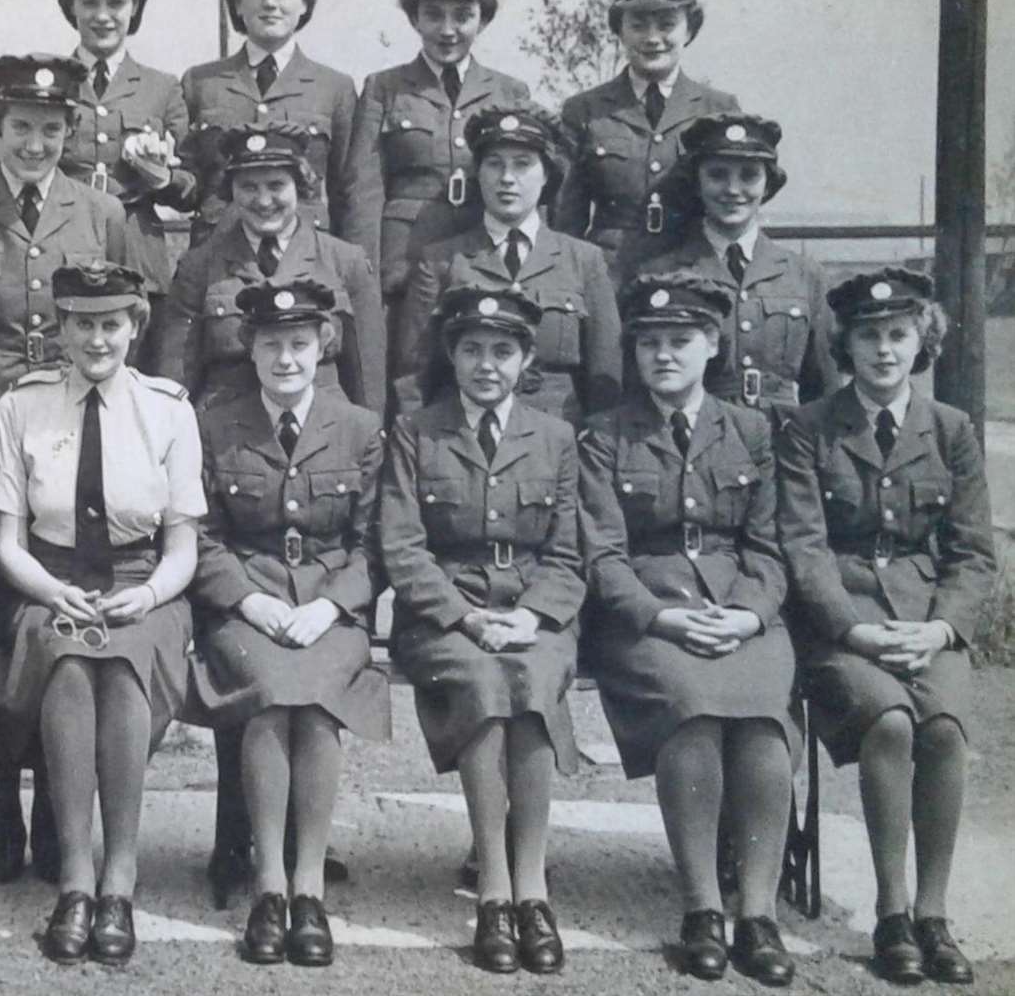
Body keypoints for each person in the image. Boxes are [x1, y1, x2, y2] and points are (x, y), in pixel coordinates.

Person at [0, 52, 129, 884]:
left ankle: (54, 818)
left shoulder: (102, 213)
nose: (35, 141)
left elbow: (121, 320)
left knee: (60, 624)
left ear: (69, 131)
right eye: (20, 127)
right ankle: (2, 818)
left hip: (71, 437)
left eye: (51, 128)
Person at [576, 270, 799, 986]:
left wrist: (749, 614)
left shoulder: (753, 430)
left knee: (763, 723)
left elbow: (769, 546)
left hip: (740, 610)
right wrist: (660, 615)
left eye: (680, 341)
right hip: (644, 617)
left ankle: (757, 913)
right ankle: (701, 907)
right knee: (691, 715)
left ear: (712, 345)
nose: (663, 356)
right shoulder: (604, 435)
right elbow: (603, 555)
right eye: (649, 344)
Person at [776, 268, 994, 986]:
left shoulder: (951, 429)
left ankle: (934, 914)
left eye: (897, 334)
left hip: (925, 614)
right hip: (842, 619)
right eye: (866, 336)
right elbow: (803, 551)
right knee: (891, 724)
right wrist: (853, 631)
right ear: (843, 344)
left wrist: (939, 631)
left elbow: (971, 554)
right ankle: (891, 913)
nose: (882, 350)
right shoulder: (808, 427)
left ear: (920, 340)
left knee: (942, 731)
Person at [0, 260, 204, 966]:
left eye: (110, 324)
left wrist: (145, 596)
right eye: (81, 324)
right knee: (71, 663)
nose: (95, 339)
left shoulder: (168, 408)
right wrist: (50, 593)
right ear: (60, 328)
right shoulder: (20, 404)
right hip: (49, 582)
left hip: (143, 583)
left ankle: (120, 878)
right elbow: (7, 543)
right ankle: (75, 883)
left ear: (133, 328)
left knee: (120, 663)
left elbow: (182, 546)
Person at [378, 285, 581, 974]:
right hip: (444, 614)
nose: (485, 365)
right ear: (451, 355)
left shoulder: (554, 436)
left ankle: (534, 889)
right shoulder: (417, 429)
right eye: (471, 350)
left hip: (530, 611)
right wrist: (465, 617)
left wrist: (531, 614)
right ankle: (493, 890)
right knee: (483, 684)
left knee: (530, 676)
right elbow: (401, 546)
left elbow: (567, 551)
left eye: (502, 351)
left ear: (525, 359)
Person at [187, 280, 389, 968]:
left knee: (318, 705)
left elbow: (373, 545)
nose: (285, 359)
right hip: (248, 605)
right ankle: (268, 884)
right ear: (250, 349)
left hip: (330, 605)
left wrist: (330, 606)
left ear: (322, 346)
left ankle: (310, 890)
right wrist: (251, 602)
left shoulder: (359, 428)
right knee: (273, 694)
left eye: (299, 344)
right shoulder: (214, 423)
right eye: (271, 345)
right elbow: (204, 537)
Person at [342, 0, 532, 380]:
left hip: (482, 251)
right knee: (406, 371)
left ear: (482, 20)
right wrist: (364, 272)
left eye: (463, 15)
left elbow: (527, 185)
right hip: (404, 256)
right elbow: (364, 186)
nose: (448, 30)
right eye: (433, 15)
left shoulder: (510, 92)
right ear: (415, 19)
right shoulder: (384, 87)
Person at [400, 105, 620, 422]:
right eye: (494, 164)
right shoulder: (441, 260)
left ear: (547, 175)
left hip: (558, 443)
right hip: (461, 440)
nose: (507, 179)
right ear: (478, 173)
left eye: (522, 165)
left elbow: (606, 376)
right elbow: (414, 376)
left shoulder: (584, 260)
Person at [157, 124, 385, 415]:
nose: (264, 201)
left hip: (323, 433)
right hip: (228, 436)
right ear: (231, 191)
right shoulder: (198, 267)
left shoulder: (345, 261)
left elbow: (368, 378)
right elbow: (176, 378)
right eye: (249, 187)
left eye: (276, 185)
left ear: (300, 186)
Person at [52, 0, 196, 358]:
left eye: (115, 2)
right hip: (66, 248)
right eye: (89, 2)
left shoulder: (162, 87)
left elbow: (192, 189)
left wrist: (163, 177)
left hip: (139, 258)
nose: (102, 16)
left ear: (134, 7)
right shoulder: (50, 84)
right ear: (71, 6)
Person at [634, 113, 835, 412]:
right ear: (697, 183)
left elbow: (825, 390)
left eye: (749, 175)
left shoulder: (805, 275)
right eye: (717, 174)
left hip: (784, 442)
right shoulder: (661, 273)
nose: (732, 189)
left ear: (768, 185)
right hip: (698, 439)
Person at [553, 0, 741, 260]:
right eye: (638, 25)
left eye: (667, 25)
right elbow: (566, 218)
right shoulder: (585, 110)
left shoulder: (718, 110)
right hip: (609, 276)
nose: (652, 39)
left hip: (693, 276)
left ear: (689, 30)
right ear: (620, 31)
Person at [180, 0, 355, 244]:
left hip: (306, 254)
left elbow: (347, 192)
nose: (270, 3)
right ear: (237, 4)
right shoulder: (200, 82)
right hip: (219, 255)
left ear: (305, 2)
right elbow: (186, 182)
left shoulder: (335, 87)